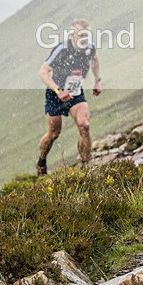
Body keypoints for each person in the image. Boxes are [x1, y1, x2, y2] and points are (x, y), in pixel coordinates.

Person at [36, 19, 102, 176]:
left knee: (84, 126)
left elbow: (95, 60)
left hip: (75, 92)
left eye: (86, 35)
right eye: (81, 35)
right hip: (55, 94)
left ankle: (86, 168)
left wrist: (97, 80)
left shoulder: (90, 48)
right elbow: (43, 72)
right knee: (53, 133)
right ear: (72, 35)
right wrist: (59, 91)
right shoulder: (62, 49)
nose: (84, 39)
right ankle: (41, 161)